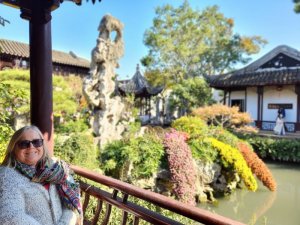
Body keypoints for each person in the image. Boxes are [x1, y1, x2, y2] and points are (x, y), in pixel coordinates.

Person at [0, 125, 82, 225]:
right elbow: (10, 216)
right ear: (13, 148)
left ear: (42, 145)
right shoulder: (6, 176)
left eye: (36, 142)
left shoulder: (56, 169)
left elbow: (71, 203)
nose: (31, 147)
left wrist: (64, 222)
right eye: (24, 144)